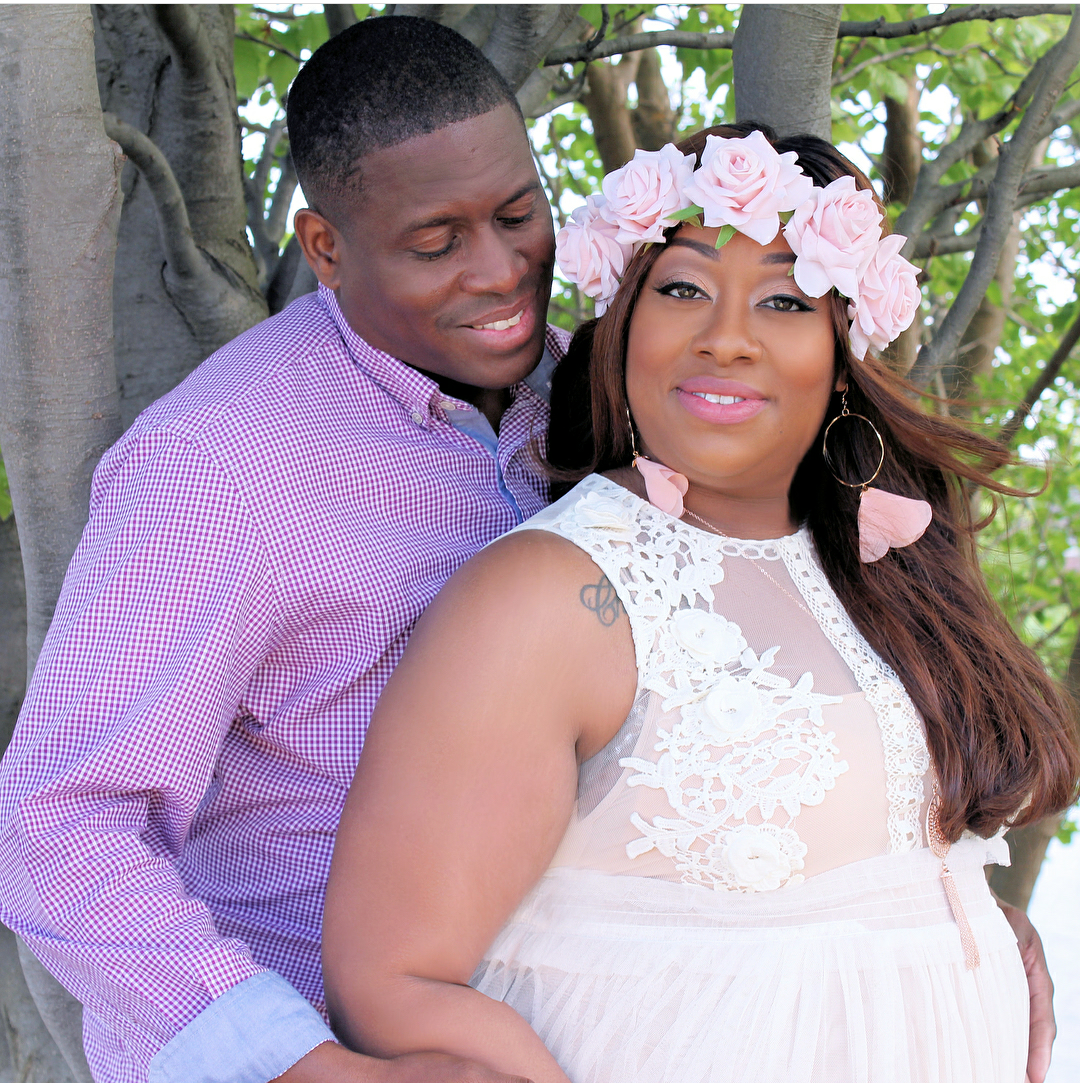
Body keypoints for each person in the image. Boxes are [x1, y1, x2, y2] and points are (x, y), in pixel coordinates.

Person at [321, 126, 1080, 1083]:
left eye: (785, 300)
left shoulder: (885, 563)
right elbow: (390, 980)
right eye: (682, 289)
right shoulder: (550, 594)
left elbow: (850, 882)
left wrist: (976, 927)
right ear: (623, 325)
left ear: (841, 352)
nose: (726, 336)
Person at [0, 17, 560, 1083]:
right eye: (435, 243)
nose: (499, 271)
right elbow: (58, 822)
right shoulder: (221, 464)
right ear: (325, 248)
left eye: (518, 214)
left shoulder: (592, 398)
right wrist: (313, 1068)